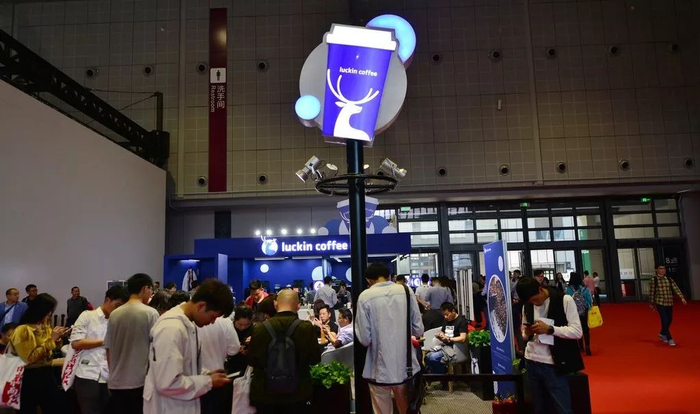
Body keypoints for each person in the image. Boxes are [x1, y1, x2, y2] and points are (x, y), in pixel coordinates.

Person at [143, 279, 234, 414]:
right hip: (168, 407)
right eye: (213, 316)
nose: (212, 322)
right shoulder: (171, 328)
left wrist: (206, 374)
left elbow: (184, 367)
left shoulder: (188, 323)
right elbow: (168, 383)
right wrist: (208, 381)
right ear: (201, 306)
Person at [356, 263, 424, 414]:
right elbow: (419, 329)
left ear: (369, 280)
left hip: (378, 368)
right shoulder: (405, 291)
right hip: (405, 367)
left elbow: (364, 339)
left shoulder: (365, 296)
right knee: (407, 409)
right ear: (389, 276)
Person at [517, 277, 584, 414]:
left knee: (563, 409)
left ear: (540, 289)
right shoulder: (527, 305)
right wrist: (527, 333)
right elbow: (524, 333)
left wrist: (550, 329)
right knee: (538, 408)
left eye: (535, 300)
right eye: (531, 302)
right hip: (531, 361)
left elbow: (577, 331)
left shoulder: (564, 300)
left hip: (553, 364)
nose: (534, 303)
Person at [248, 289, 321, 414]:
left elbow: (252, 360)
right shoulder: (306, 328)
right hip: (298, 393)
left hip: (265, 393)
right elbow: (314, 359)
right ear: (298, 306)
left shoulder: (260, 329)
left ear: (275, 304)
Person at [68, 286, 129, 414]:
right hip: (87, 374)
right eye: (117, 305)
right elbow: (76, 343)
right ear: (108, 300)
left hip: (110, 376)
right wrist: (105, 342)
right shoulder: (87, 316)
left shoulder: (119, 321)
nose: (118, 310)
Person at [104, 273, 159, 414]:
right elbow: (156, 348)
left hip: (116, 382)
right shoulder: (151, 313)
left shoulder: (115, 314)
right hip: (140, 382)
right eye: (151, 290)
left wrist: (113, 373)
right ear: (145, 288)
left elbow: (108, 348)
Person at [9, 293, 70, 414]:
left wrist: (58, 338)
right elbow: (28, 358)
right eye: (48, 312)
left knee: (54, 407)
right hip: (28, 376)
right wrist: (51, 340)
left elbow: (50, 349)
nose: (49, 315)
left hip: (46, 373)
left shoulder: (44, 326)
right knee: (28, 409)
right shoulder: (23, 330)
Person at [199, 307, 241, 414]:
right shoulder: (224, 321)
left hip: (195, 379)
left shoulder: (190, 320)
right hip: (218, 377)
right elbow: (234, 349)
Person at [425, 302, 468, 377]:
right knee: (427, 357)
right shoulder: (446, 320)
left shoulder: (461, 321)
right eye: (444, 315)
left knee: (433, 357)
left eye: (447, 314)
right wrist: (440, 336)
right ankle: (442, 374)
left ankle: (442, 377)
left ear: (453, 311)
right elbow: (443, 332)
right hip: (444, 346)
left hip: (455, 348)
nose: (445, 317)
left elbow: (463, 338)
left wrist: (449, 339)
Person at [649, 264, 687, 347]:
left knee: (669, 319)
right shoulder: (654, 280)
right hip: (660, 302)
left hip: (669, 302)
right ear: (656, 270)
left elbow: (675, 288)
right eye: (660, 268)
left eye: (664, 268)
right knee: (664, 319)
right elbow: (651, 292)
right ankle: (669, 338)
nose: (662, 270)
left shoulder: (669, 279)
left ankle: (662, 333)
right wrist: (651, 303)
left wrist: (681, 297)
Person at [566, 272, 593, 356]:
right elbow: (589, 300)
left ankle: (580, 346)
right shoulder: (584, 288)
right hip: (583, 310)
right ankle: (587, 346)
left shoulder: (569, 289)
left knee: (578, 328)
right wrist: (589, 307)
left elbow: (567, 299)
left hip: (574, 311)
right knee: (585, 328)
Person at [225, 305, 253, 375]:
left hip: (247, 367)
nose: (243, 327)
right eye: (240, 324)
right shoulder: (228, 328)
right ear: (235, 320)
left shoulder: (255, 330)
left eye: (247, 325)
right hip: (229, 366)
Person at [511, 270, 525, 353]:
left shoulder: (517, 283)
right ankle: (520, 348)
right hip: (517, 306)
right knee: (517, 331)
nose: (514, 275)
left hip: (516, 306)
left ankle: (520, 349)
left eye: (515, 274)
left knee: (516, 330)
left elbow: (512, 290)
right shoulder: (514, 281)